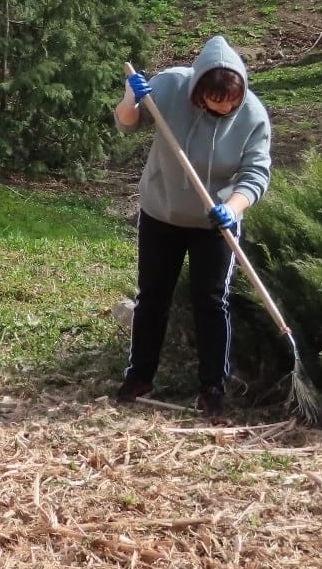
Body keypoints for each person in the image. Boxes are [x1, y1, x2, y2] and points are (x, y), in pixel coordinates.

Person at [113, 35, 272, 416]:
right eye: (213, 102)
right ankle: (139, 376)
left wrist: (232, 208)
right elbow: (126, 124)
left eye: (228, 104)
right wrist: (130, 99)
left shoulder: (253, 116)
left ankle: (213, 386)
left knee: (212, 301)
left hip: (215, 224)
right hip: (161, 213)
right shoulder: (169, 86)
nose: (221, 109)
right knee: (152, 295)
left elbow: (255, 174)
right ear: (198, 89)